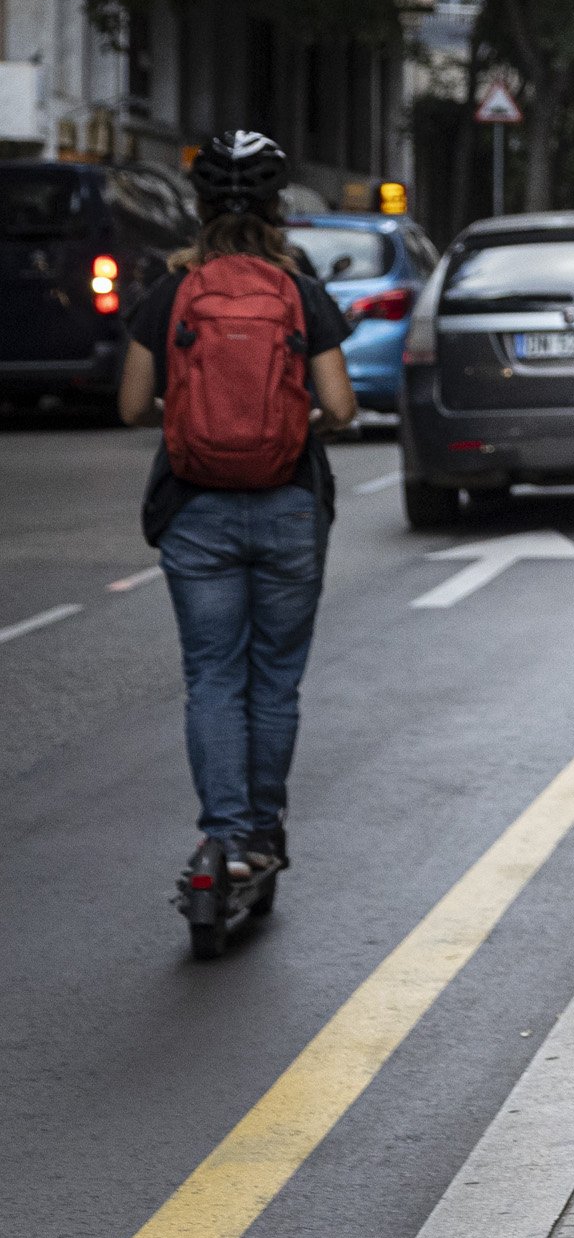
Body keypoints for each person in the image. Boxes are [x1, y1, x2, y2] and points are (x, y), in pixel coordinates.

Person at [116, 130, 355, 895]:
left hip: (197, 512)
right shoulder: (300, 292)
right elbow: (343, 408)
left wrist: (192, 412)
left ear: (198, 206)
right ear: (279, 207)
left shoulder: (172, 292)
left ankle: (220, 837)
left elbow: (128, 407)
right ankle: (260, 835)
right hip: (288, 505)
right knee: (273, 682)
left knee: (213, 679)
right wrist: (291, 425)